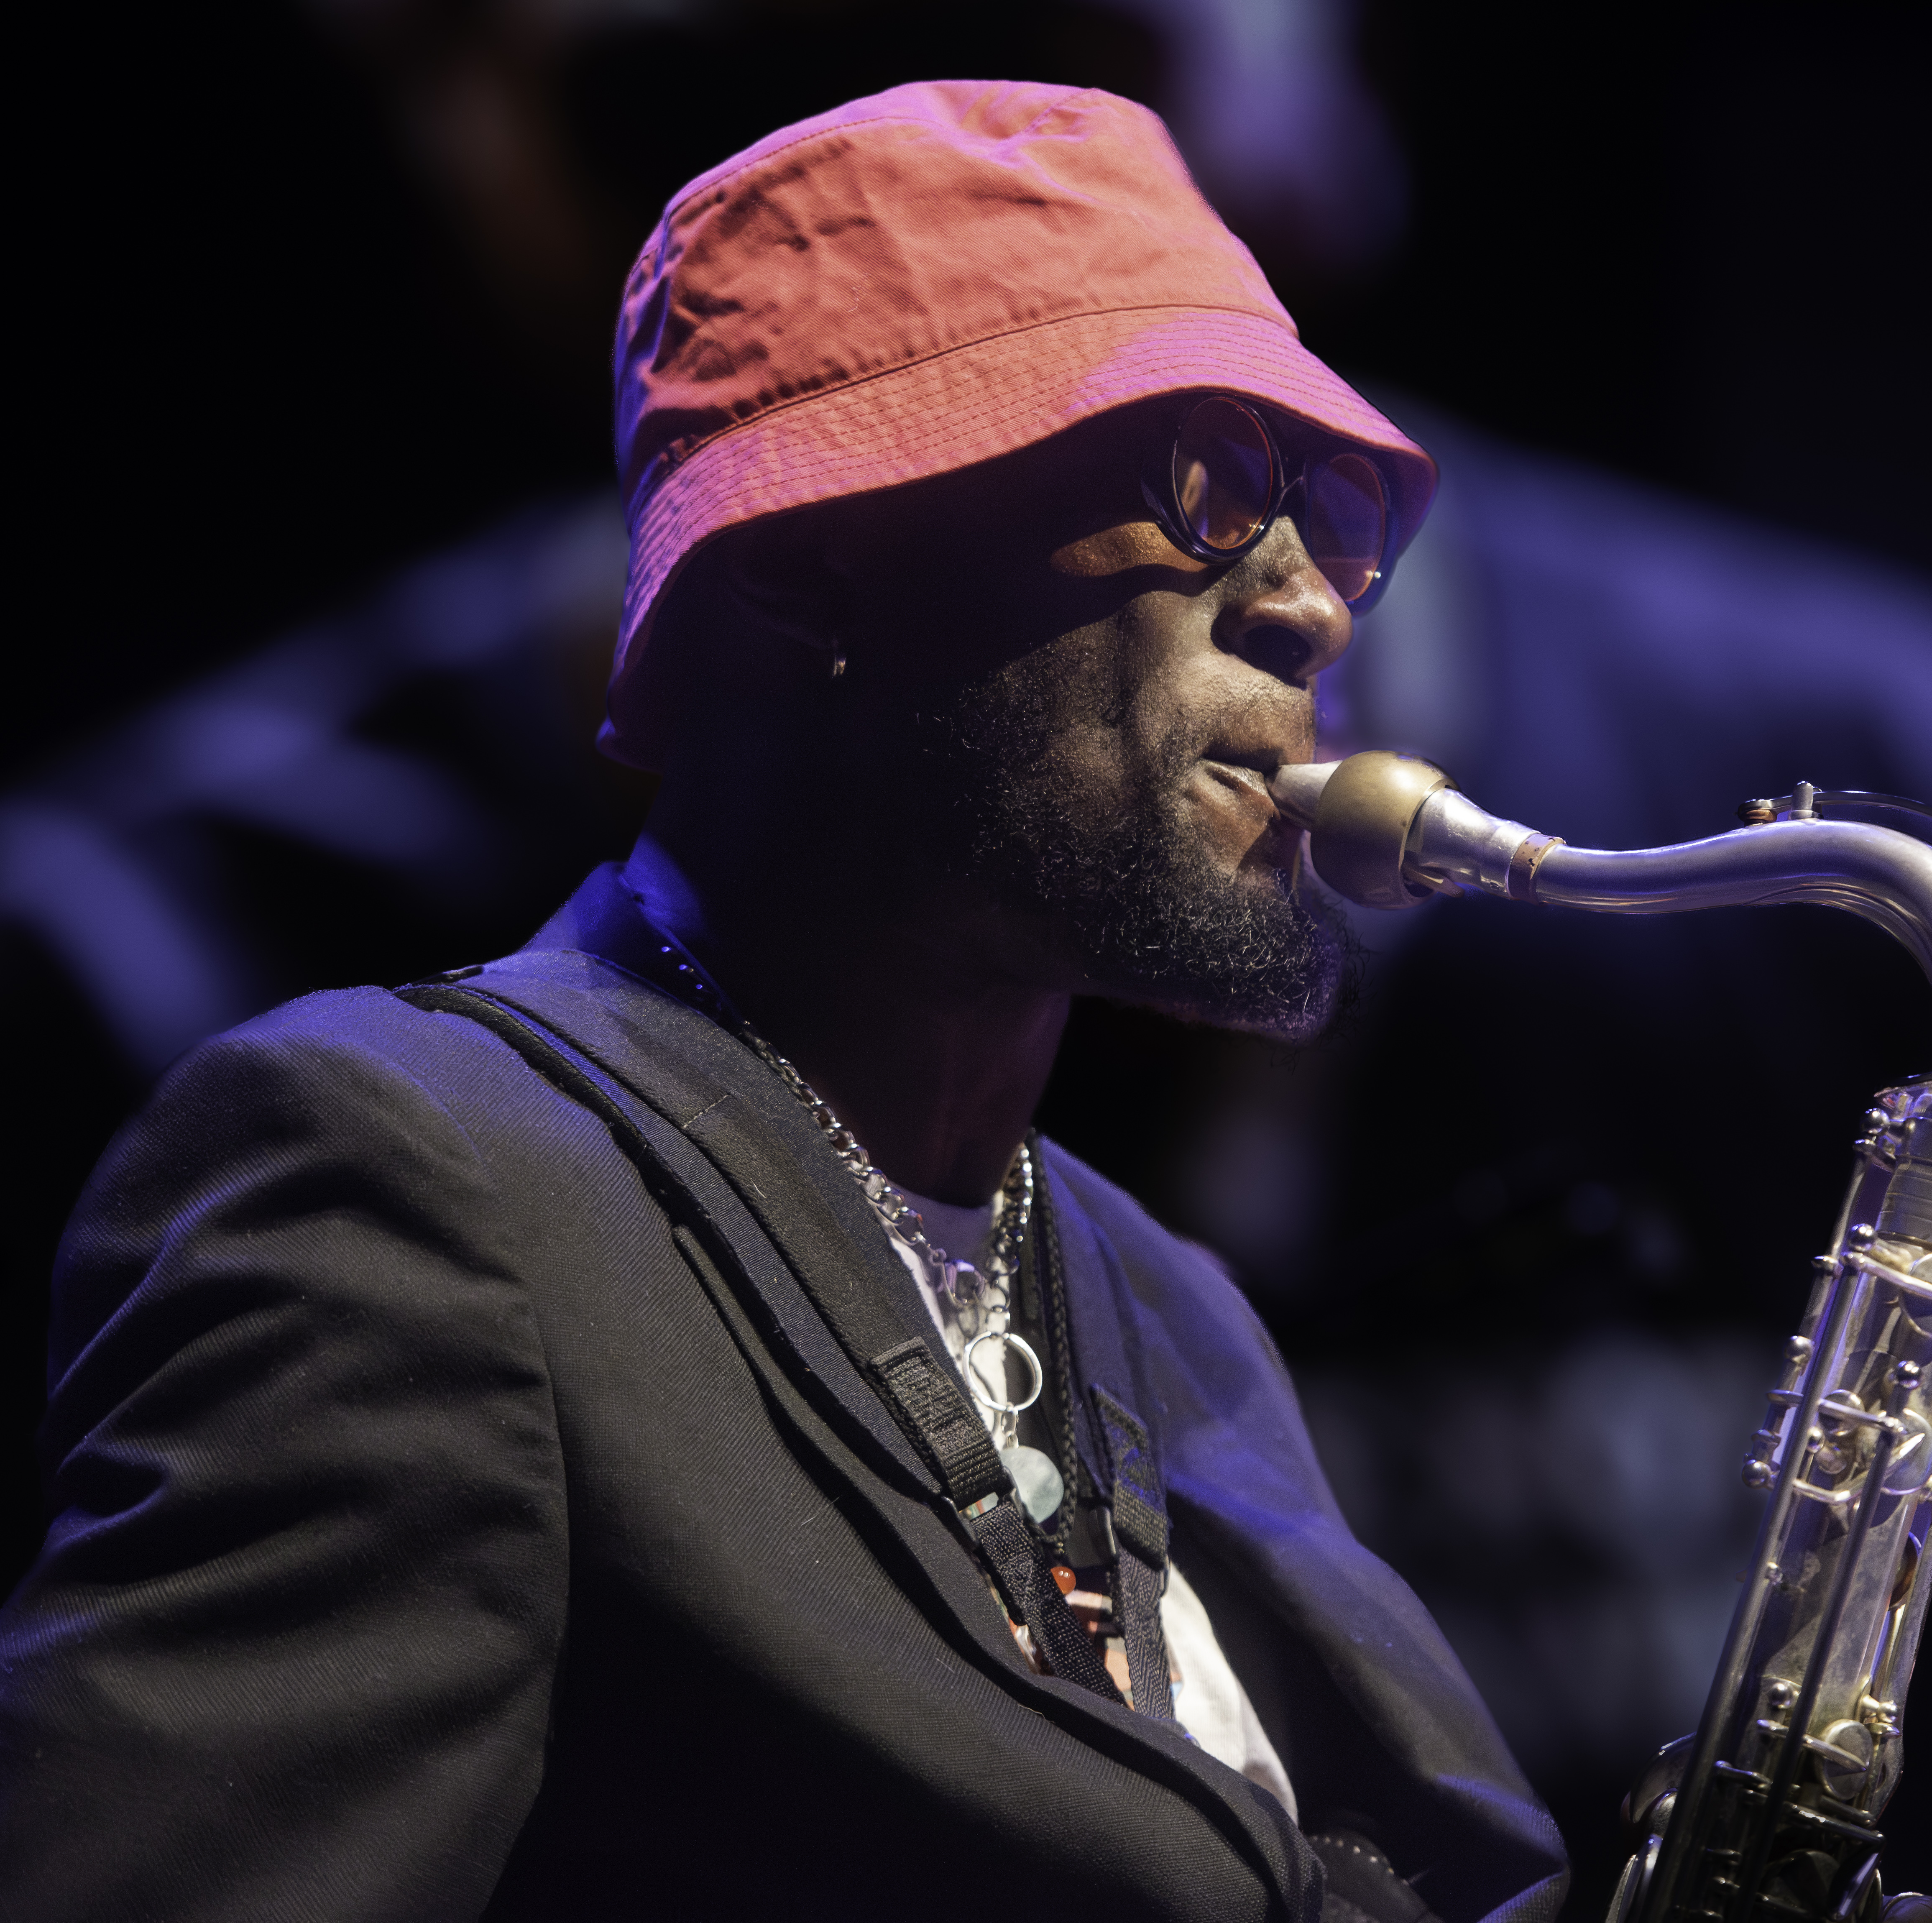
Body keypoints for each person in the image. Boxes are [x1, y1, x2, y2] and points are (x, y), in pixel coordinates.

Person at [0, 82, 1567, 1921]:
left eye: (1328, 514)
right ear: (814, 562)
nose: (1310, 605)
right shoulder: (406, 1186)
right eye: (1206, 486)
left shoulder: (1168, 1306)